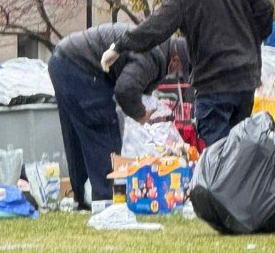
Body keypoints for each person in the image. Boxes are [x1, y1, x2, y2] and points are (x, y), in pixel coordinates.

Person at [100, 0, 274, 145]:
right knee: (238, 150)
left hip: (214, 83)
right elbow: (265, 7)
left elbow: (155, 28)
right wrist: (255, 40)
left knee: (218, 155)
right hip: (245, 80)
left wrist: (120, 46)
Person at [48, 23, 188, 208]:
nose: (175, 75)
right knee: (103, 128)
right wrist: (140, 114)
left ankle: (82, 200)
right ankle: (105, 201)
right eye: (178, 71)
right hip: (80, 66)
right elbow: (125, 89)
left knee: (78, 135)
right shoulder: (153, 55)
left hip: (64, 59)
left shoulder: (157, 46)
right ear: (176, 59)